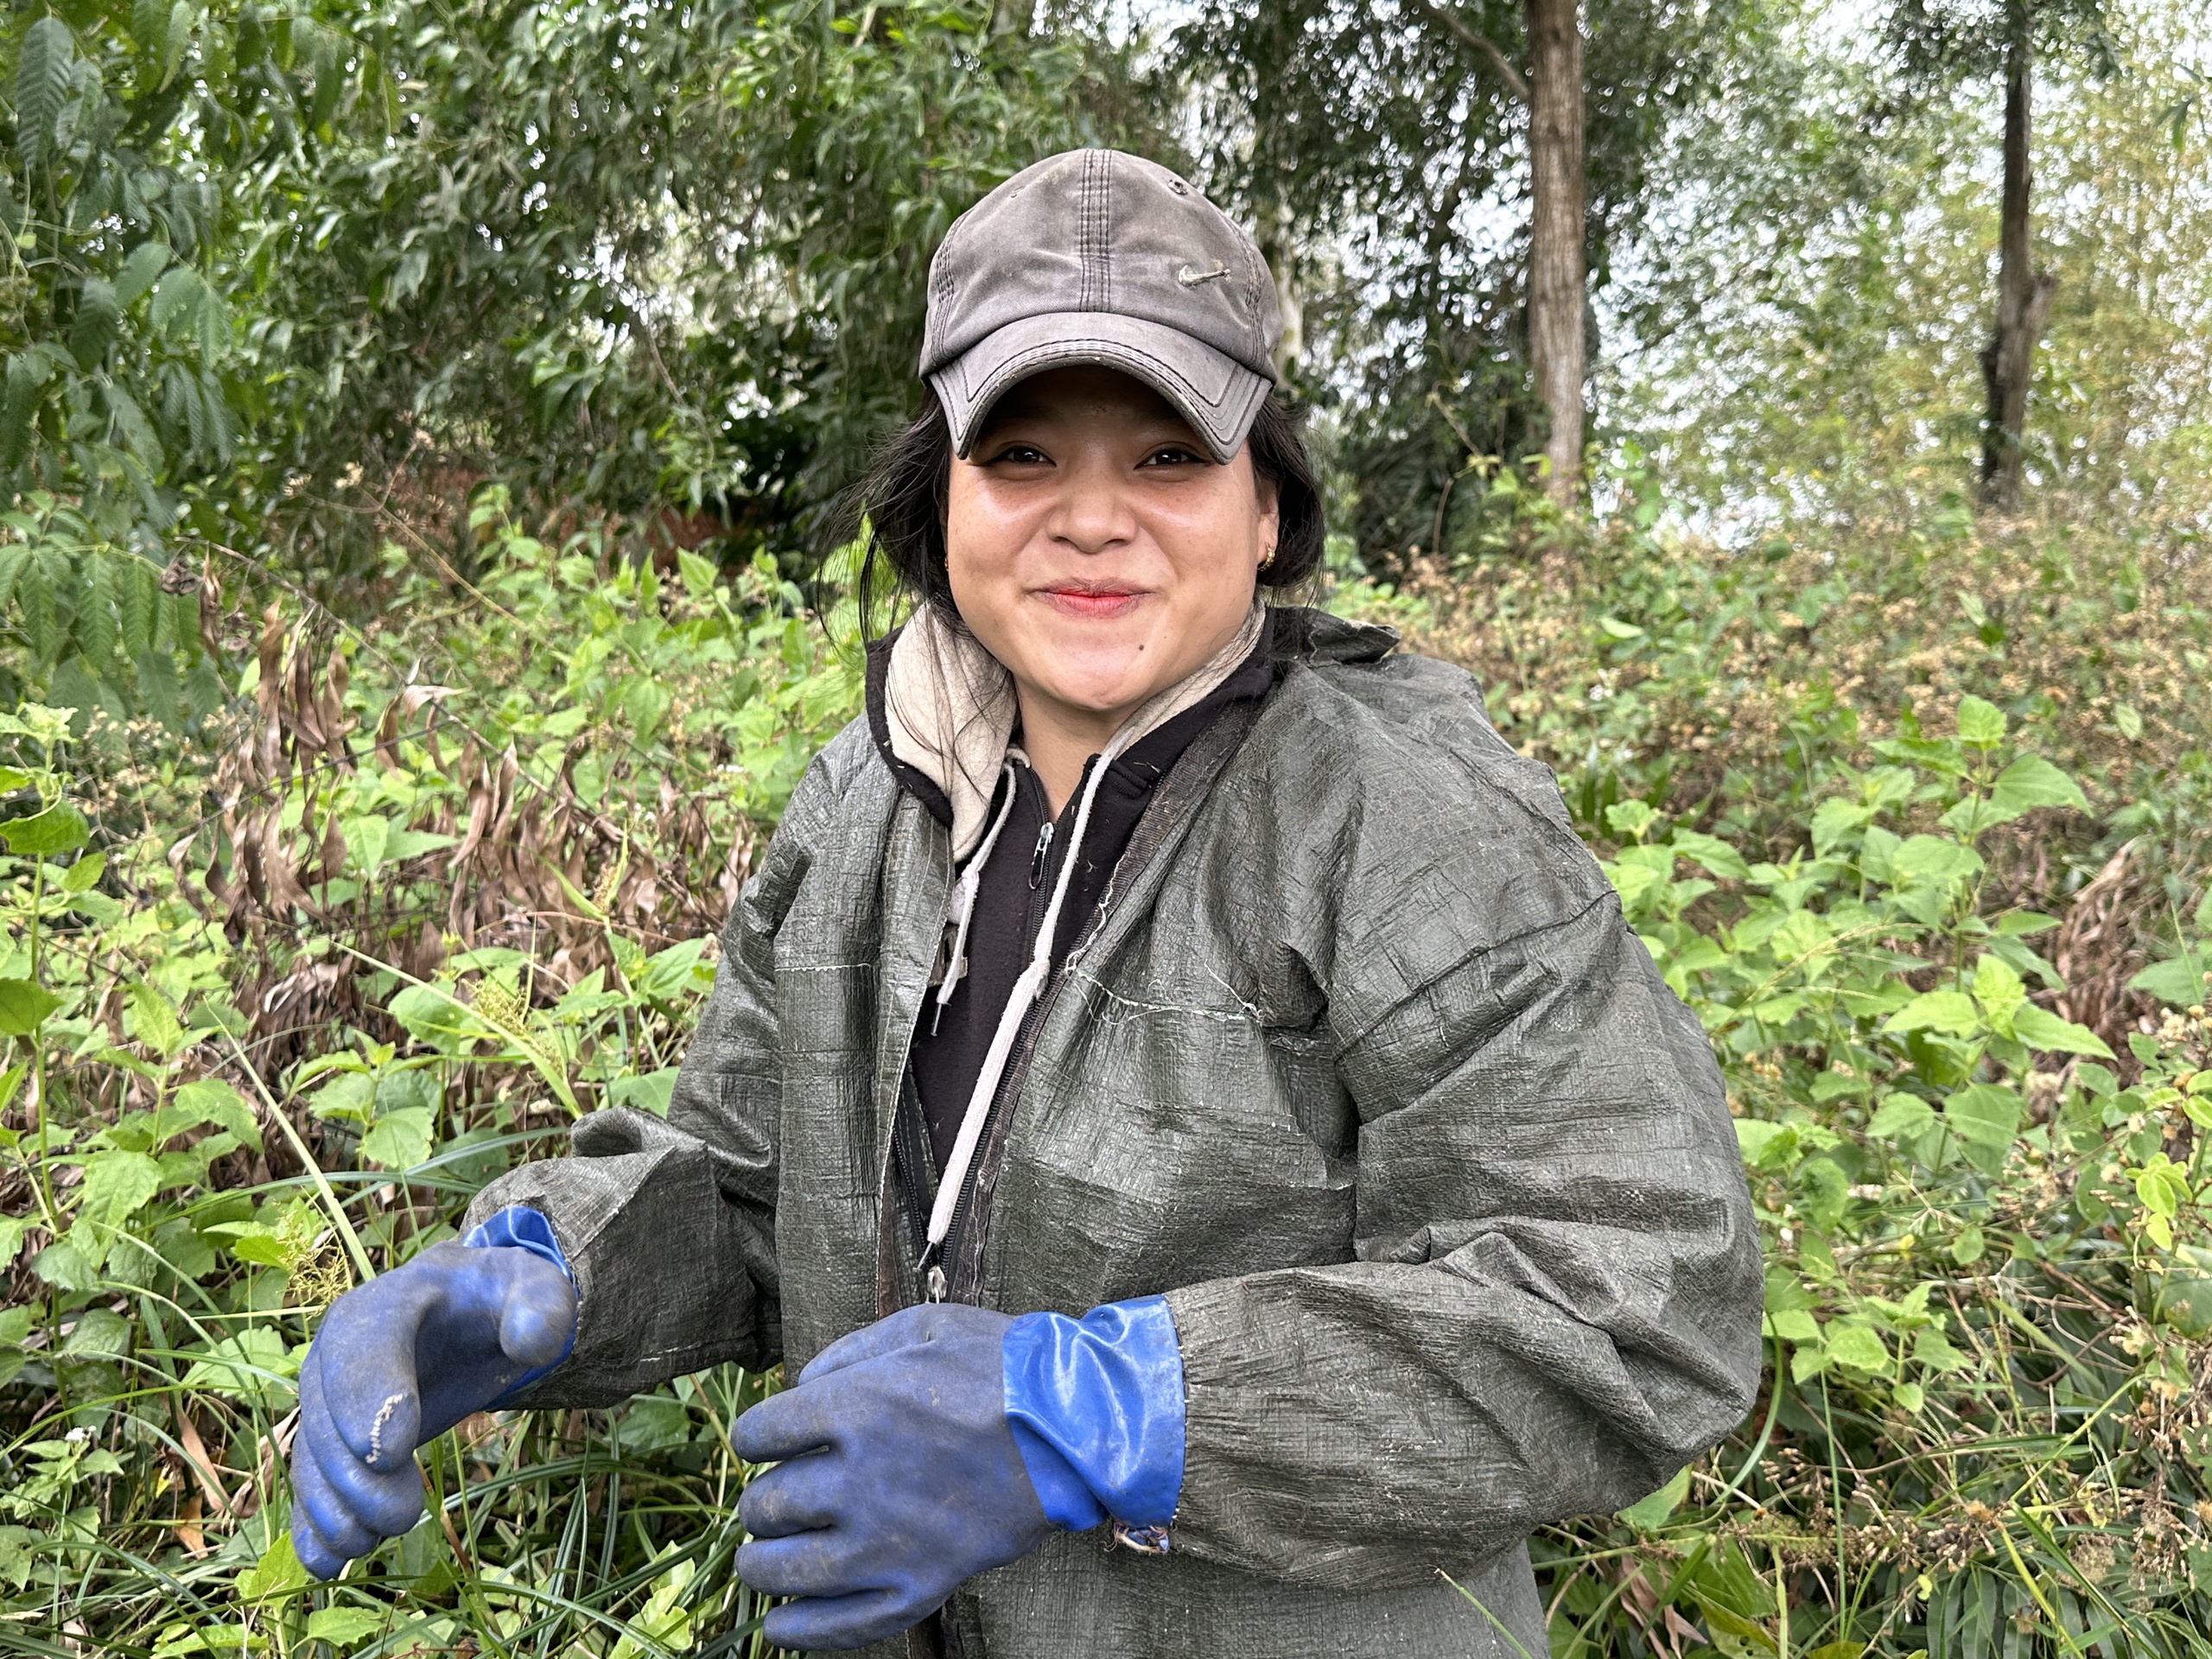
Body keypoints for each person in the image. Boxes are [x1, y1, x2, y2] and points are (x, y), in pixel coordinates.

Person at [284, 148, 1764, 1658]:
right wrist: (539, 1274)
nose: (1094, 520)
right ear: (945, 501)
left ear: (1268, 507)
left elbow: (1641, 1303)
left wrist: (1096, 1416)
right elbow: (748, 1183)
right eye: (1025, 457)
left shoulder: (1403, 824)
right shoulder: (868, 798)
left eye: (1170, 457)